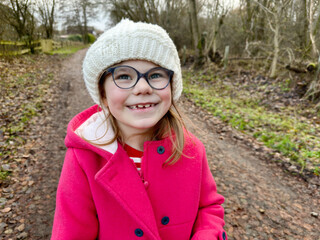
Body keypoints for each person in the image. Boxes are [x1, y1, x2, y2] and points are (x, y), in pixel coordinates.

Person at [51, 19, 227, 240]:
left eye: (155, 75)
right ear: (103, 95)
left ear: (171, 87)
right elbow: (70, 232)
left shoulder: (191, 150)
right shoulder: (84, 158)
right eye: (124, 76)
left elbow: (209, 207)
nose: (143, 87)